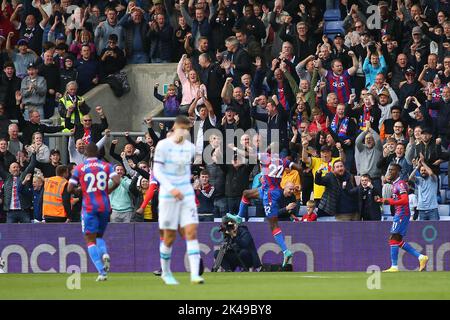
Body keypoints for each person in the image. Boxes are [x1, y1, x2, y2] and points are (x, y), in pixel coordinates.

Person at [228, 145, 302, 268]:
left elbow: (247, 155)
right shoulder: (283, 161)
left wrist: (235, 149)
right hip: (268, 189)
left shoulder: (265, 157)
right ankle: (239, 217)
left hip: (270, 194)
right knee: (246, 194)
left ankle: (286, 251)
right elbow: (299, 167)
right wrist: (301, 184)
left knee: (273, 225)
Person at [152, 115, 204, 285]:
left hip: (186, 194)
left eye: (188, 129)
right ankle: (166, 273)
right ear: (175, 127)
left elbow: (185, 171)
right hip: (168, 195)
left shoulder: (190, 148)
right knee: (169, 236)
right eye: (183, 128)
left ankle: (195, 275)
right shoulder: (163, 145)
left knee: (191, 232)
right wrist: (171, 188)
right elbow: (157, 171)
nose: (185, 132)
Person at [67, 143, 120, 281]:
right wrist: (107, 190)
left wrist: (78, 191)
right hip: (104, 206)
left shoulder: (80, 168)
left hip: (89, 207)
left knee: (90, 240)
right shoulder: (106, 166)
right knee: (99, 236)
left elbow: (69, 188)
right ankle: (105, 254)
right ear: (97, 153)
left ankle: (102, 272)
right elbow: (117, 181)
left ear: (85, 153)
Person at [375, 163, 429, 272]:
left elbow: (405, 200)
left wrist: (388, 201)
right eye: (389, 169)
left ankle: (394, 266)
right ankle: (421, 257)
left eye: (392, 170)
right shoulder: (395, 184)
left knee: (393, 238)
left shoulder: (400, 184)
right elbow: (397, 200)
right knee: (397, 240)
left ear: (397, 172)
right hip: (399, 213)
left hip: (402, 213)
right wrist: (382, 200)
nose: (389, 171)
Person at [408, 156, 439, 221]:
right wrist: (417, 166)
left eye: (425, 170)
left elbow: (431, 173)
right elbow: (410, 178)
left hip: (432, 209)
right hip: (421, 210)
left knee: (436, 229)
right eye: (421, 170)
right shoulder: (419, 180)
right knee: (421, 230)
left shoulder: (434, 178)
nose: (423, 172)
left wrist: (423, 163)